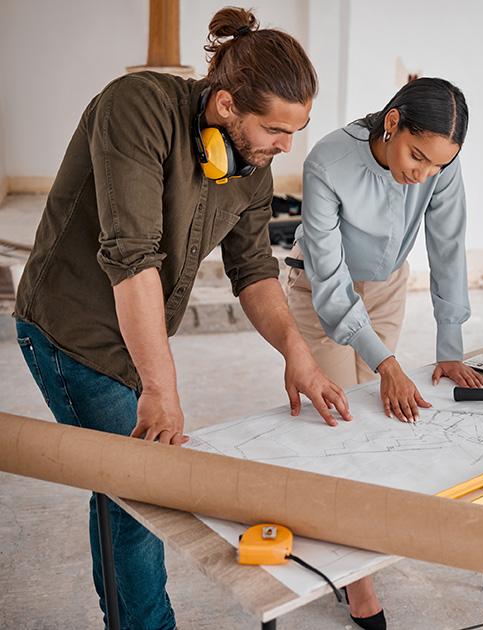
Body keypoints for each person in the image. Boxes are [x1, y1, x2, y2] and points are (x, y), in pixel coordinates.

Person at [13, 8, 349, 629]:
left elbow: (252, 272)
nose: (285, 147)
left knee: (127, 485)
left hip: (139, 336)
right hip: (73, 330)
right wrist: (162, 390)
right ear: (225, 104)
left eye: (295, 132)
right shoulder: (136, 106)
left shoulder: (251, 162)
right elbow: (132, 257)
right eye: (277, 130)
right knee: (142, 492)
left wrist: (297, 355)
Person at [285, 77, 483, 627]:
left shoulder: (439, 165)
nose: (422, 173)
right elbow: (330, 288)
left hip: (387, 287)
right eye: (416, 156)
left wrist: (450, 344)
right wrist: (389, 365)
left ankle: (356, 545)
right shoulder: (328, 160)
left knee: (374, 421)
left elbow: (448, 246)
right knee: (335, 428)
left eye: (436, 166)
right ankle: (358, 586)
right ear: (391, 122)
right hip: (318, 291)